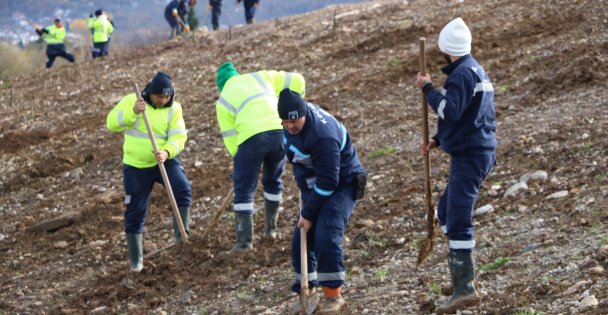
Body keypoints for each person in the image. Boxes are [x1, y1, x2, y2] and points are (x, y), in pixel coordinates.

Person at [415, 17, 496, 314]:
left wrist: (427, 90)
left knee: (458, 218)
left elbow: (449, 110)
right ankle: (462, 276)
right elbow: (466, 116)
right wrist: (438, 139)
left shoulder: (462, 74)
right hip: (473, 152)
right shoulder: (473, 70)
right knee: (446, 212)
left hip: (471, 157)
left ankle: (465, 289)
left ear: (446, 48)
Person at [278, 89, 366, 314]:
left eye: (294, 120)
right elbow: (296, 156)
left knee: (326, 233)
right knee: (301, 239)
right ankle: (307, 291)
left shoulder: (322, 136)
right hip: (315, 183)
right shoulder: (291, 125)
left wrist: (308, 214)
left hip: (342, 184)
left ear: (304, 112)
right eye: (285, 121)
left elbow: (329, 181)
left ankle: (333, 296)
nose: (290, 126)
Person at [213, 62, 305, 254]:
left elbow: (231, 137)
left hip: (251, 139)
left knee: (244, 189)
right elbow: (297, 79)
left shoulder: (223, 100)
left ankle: (244, 243)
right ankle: (271, 231)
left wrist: (241, 162)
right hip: (279, 131)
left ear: (221, 86)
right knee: (273, 180)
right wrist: (298, 101)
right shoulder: (260, 76)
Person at [106, 72, 192, 272]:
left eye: (167, 97)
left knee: (182, 188)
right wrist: (132, 112)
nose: (163, 101)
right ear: (150, 93)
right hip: (136, 166)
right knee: (135, 210)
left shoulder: (174, 109)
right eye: (159, 97)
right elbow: (111, 123)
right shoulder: (132, 101)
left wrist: (167, 151)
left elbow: (179, 137)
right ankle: (136, 263)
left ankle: (182, 239)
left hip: (163, 160)